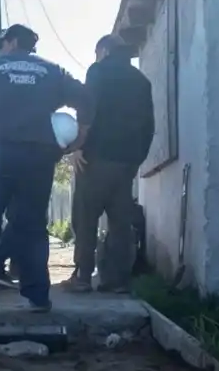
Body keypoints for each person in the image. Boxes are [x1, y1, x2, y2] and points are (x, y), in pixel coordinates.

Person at [0, 24, 95, 343]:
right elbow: (86, 98)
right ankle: (38, 296)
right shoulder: (53, 71)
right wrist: (79, 138)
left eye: (3, 43)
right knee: (32, 226)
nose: (1, 48)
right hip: (37, 156)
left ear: (12, 43)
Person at [63, 34, 154, 294]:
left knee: (85, 216)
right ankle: (118, 281)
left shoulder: (98, 71)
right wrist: (137, 159)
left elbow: (88, 108)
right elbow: (150, 125)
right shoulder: (141, 81)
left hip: (97, 157)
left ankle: (82, 276)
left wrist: (78, 144)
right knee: (120, 221)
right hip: (127, 162)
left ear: (103, 51)